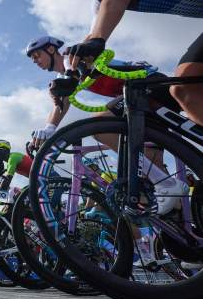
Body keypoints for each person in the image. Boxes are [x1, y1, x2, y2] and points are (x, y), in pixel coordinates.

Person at [25, 34, 188, 216]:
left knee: (98, 125)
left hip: (146, 88)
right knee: (151, 166)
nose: (35, 61)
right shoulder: (63, 74)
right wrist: (48, 128)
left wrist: (51, 127)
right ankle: (184, 220)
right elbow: (61, 104)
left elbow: (69, 84)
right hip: (139, 101)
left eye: (37, 55)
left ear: (51, 49)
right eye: (32, 59)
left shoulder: (71, 59)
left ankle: (166, 185)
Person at [53, 0, 203, 126]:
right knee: (184, 91)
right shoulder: (101, 1)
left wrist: (98, 42)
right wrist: (70, 77)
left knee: (184, 86)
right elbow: (90, 40)